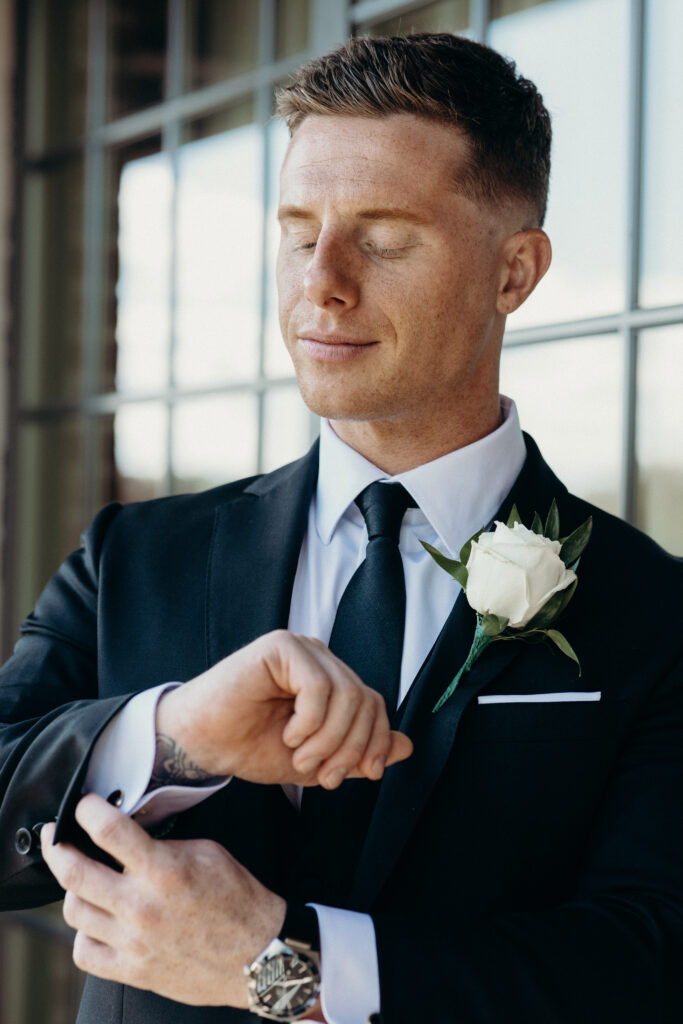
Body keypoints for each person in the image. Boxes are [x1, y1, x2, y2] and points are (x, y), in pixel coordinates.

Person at [1, 32, 682, 1024]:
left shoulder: (651, 609)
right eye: (296, 228)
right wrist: (175, 734)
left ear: (513, 273)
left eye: (383, 236)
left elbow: (645, 964)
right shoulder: (131, 558)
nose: (319, 279)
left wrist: (285, 966)